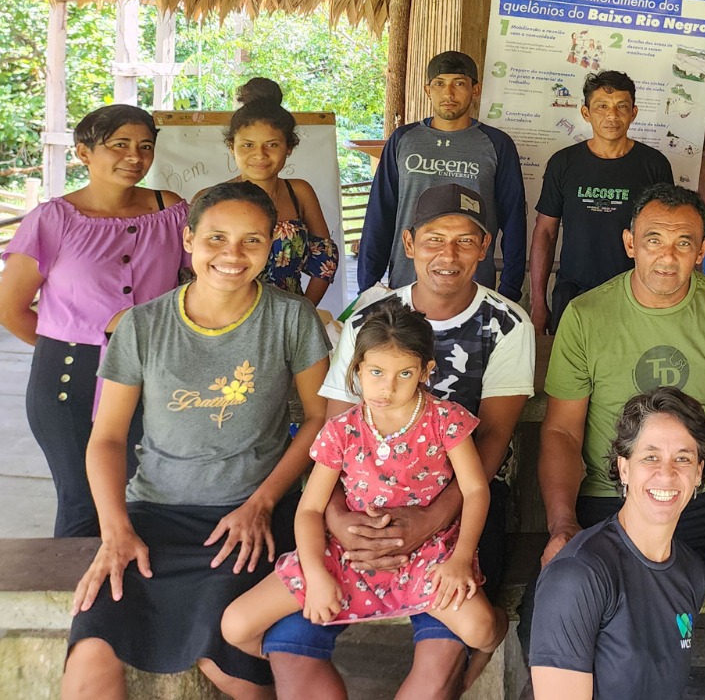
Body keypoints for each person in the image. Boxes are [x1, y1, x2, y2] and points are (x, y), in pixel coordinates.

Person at [538, 183, 705, 700]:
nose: (667, 255)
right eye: (654, 239)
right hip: (612, 497)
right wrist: (561, 525)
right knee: (548, 617)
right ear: (629, 243)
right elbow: (560, 431)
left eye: (683, 243)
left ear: (703, 250)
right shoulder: (588, 314)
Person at [263, 182, 534, 698]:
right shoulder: (369, 314)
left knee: (441, 665)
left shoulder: (506, 323)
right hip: (359, 500)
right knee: (288, 647)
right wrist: (338, 518)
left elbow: (493, 440)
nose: (447, 255)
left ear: (485, 247)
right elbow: (338, 427)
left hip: (456, 506)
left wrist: (433, 517)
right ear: (408, 243)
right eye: (434, 238)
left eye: (465, 240)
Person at [60, 182, 331, 698]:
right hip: (153, 517)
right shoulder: (142, 325)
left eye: (252, 241)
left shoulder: (290, 318)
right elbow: (108, 438)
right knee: (91, 657)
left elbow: (321, 420)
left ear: (272, 244)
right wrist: (115, 530)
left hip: (249, 518)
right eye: (216, 239)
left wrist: (264, 502)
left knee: (228, 664)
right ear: (188, 240)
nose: (232, 255)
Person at [222, 297, 504, 658]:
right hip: (348, 554)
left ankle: (487, 646)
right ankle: (287, 661)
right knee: (236, 625)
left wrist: (461, 558)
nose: (387, 388)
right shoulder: (341, 430)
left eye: (404, 373)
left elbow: (476, 489)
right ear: (356, 369)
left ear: (425, 370)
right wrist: (316, 574)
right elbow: (310, 509)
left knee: (481, 629)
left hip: (425, 555)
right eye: (375, 372)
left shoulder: (446, 420)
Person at [0, 104, 187, 537]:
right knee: (83, 502)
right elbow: (10, 308)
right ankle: (80, 598)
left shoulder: (171, 210)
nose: (134, 157)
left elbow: (204, 277)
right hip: (69, 377)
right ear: (84, 153)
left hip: (154, 371)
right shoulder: (53, 220)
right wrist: (73, 343)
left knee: (141, 497)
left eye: (144, 146)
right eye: (118, 145)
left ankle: (136, 599)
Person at [524, 387, 705, 700]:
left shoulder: (691, 570)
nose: (666, 474)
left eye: (683, 458)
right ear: (624, 468)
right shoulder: (577, 575)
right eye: (650, 457)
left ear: (698, 473)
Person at [358, 50, 527, 299]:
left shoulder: (496, 143)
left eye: (459, 83)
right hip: (407, 283)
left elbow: (513, 220)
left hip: (474, 285)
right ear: (428, 90)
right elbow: (380, 214)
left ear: (475, 89)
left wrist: (509, 289)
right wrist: (368, 286)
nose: (448, 93)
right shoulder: (404, 140)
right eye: (439, 84)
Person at [529, 70, 672, 333]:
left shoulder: (654, 165)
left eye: (621, 107)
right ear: (586, 113)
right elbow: (545, 233)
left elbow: (666, 238)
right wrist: (538, 302)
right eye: (602, 106)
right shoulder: (563, 163)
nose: (612, 116)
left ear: (634, 112)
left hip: (636, 294)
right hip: (574, 293)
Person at [199, 100, 338, 304]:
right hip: (228, 316)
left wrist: (303, 313)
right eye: (248, 145)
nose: (260, 154)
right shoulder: (211, 199)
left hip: (289, 315)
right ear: (231, 147)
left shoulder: (299, 193)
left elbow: (325, 257)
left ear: (289, 147)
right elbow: (196, 269)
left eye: (272, 145)